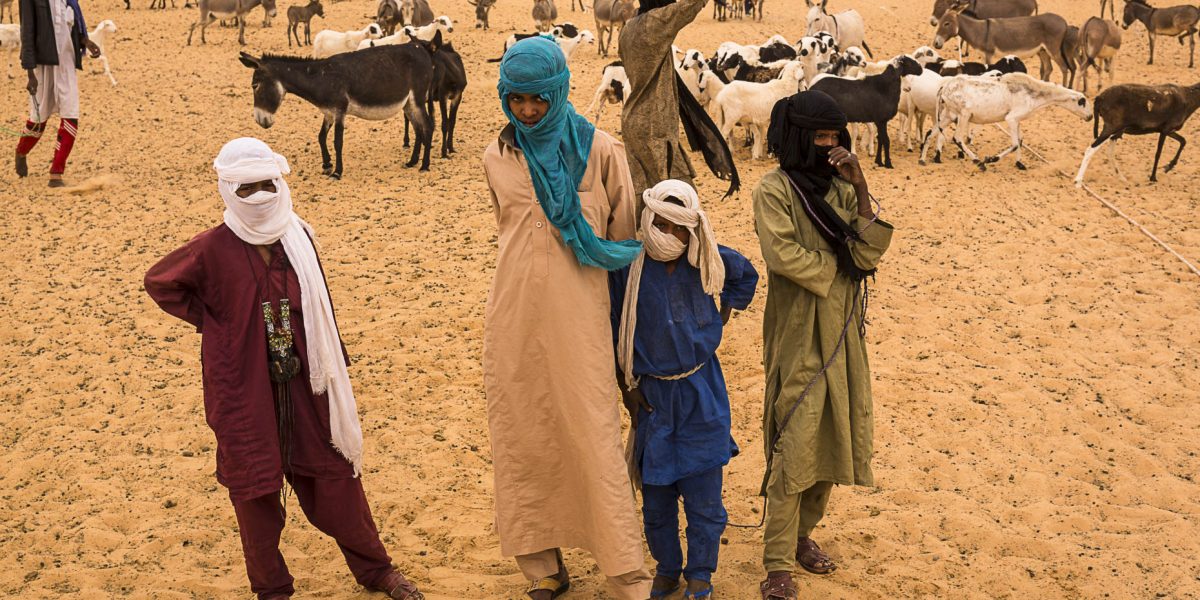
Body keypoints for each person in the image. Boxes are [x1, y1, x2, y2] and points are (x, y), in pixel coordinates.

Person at [144, 138, 424, 600]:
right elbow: (161, 282)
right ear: (228, 190)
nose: (258, 196)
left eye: (266, 185)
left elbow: (321, 307)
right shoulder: (212, 248)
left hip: (306, 379)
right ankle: (272, 590)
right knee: (254, 488)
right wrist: (221, 323)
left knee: (334, 477)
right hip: (241, 385)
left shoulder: (299, 237)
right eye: (246, 188)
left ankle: (376, 571)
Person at [480, 36, 653, 600]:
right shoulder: (496, 155)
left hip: (582, 320)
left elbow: (625, 238)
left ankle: (625, 572)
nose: (528, 110)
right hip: (513, 320)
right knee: (525, 436)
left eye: (539, 99)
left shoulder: (601, 149)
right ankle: (543, 569)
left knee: (592, 435)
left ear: (559, 92)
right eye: (518, 99)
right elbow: (508, 228)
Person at [751, 92, 894, 600]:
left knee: (833, 437)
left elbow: (870, 248)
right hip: (797, 333)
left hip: (843, 336)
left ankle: (803, 535)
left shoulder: (839, 188)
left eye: (835, 138)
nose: (829, 147)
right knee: (795, 439)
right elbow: (784, 255)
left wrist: (860, 187)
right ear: (798, 138)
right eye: (820, 138)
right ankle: (776, 561)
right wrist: (841, 267)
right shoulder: (774, 190)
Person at [609, 179, 758, 600]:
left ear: (692, 228)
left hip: (702, 390)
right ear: (648, 218)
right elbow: (613, 327)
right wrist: (627, 389)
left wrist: (724, 312)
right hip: (652, 396)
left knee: (704, 497)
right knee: (656, 501)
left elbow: (745, 276)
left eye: (679, 227)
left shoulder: (706, 257)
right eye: (662, 223)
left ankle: (700, 576)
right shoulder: (627, 266)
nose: (669, 235)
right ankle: (667, 569)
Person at [619, 0, 738, 200]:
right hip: (654, 124)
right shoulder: (654, 22)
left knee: (645, 192)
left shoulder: (629, 28)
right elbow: (689, 6)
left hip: (633, 121)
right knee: (679, 198)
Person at [15, 0, 101, 186]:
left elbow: (72, 22)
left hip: (67, 61)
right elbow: (27, 33)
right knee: (38, 119)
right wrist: (30, 73)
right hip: (43, 64)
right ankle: (21, 152)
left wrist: (85, 40)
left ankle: (56, 173)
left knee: (71, 114)